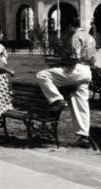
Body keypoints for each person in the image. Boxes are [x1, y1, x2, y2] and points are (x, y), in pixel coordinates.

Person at [36, 16, 96, 148]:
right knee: (81, 103)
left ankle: (56, 99)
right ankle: (83, 136)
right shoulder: (90, 37)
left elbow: (73, 58)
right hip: (87, 71)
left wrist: (56, 62)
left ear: (69, 26)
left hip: (76, 69)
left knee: (42, 75)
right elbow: (93, 59)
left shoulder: (75, 37)